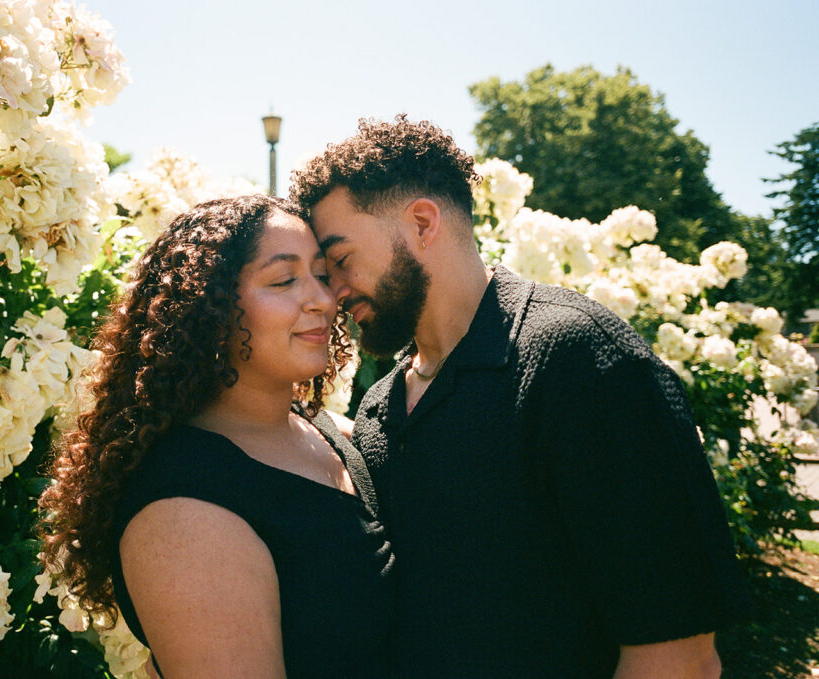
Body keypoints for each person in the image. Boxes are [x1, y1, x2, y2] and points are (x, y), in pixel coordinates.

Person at [289, 115, 750, 679]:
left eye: (339, 261)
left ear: (422, 224)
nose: (332, 293)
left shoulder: (582, 362)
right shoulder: (380, 410)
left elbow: (680, 658)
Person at [38, 195, 394, 678]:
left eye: (321, 275)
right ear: (209, 308)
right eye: (284, 279)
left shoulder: (330, 433)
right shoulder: (185, 512)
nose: (324, 299)